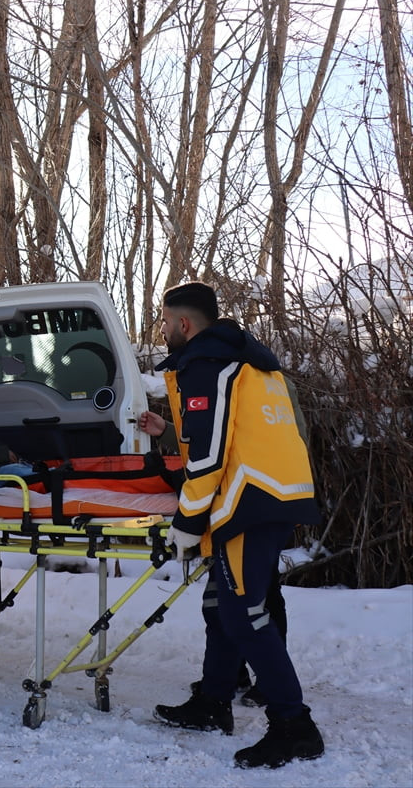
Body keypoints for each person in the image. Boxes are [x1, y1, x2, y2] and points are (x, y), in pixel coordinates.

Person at [147, 281, 324, 769]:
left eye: (164, 322)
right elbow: (222, 435)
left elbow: (207, 458)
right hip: (270, 494)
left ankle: (295, 726)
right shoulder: (248, 361)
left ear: (183, 323)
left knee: (245, 615)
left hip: (248, 502)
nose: (162, 331)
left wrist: (187, 521)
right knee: (221, 605)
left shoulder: (207, 363)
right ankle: (212, 701)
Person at [138, 411, 288, 707]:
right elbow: (216, 434)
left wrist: (190, 520)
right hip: (241, 499)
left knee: (250, 602)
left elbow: (222, 443)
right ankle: (231, 677)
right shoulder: (244, 375)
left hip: (253, 500)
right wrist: (167, 432)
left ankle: (266, 688)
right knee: (235, 600)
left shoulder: (248, 377)